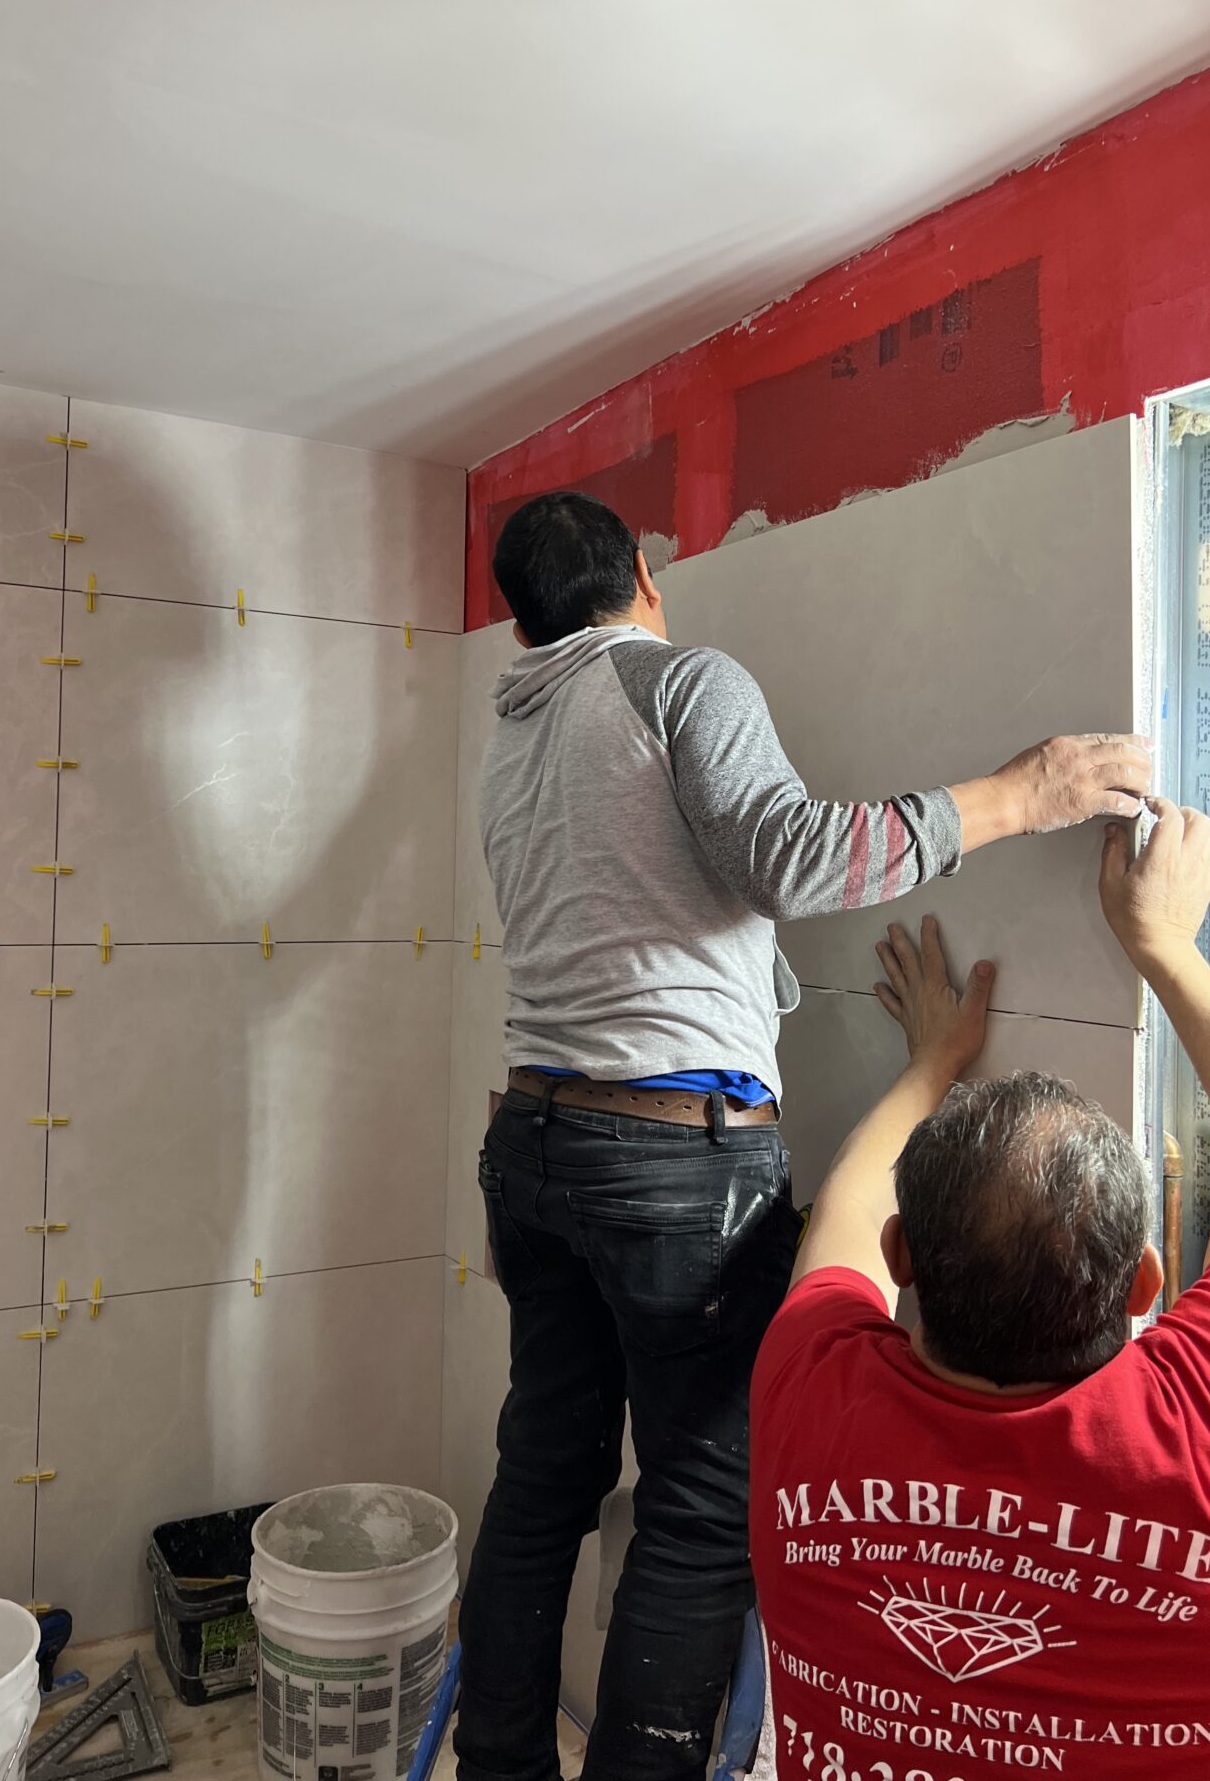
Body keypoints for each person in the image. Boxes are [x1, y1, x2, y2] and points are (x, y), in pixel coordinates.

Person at [454, 490, 1154, 1781]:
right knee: (700, 1508)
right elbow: (787, 857)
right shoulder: (676, 678)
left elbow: (651, 903)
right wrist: (1021, 793)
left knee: (543, 1477)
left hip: (536, 1142)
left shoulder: (518, 729)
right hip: (668, 1158)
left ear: (521, 625)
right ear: (646, 581)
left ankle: (498, 1765)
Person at [750, 799, 1210, 1777]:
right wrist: (1160, 942)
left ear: (903, 1258)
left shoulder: (806, 1403)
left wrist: (931, 1063)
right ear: (1145, 1284)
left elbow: (841, 1216)